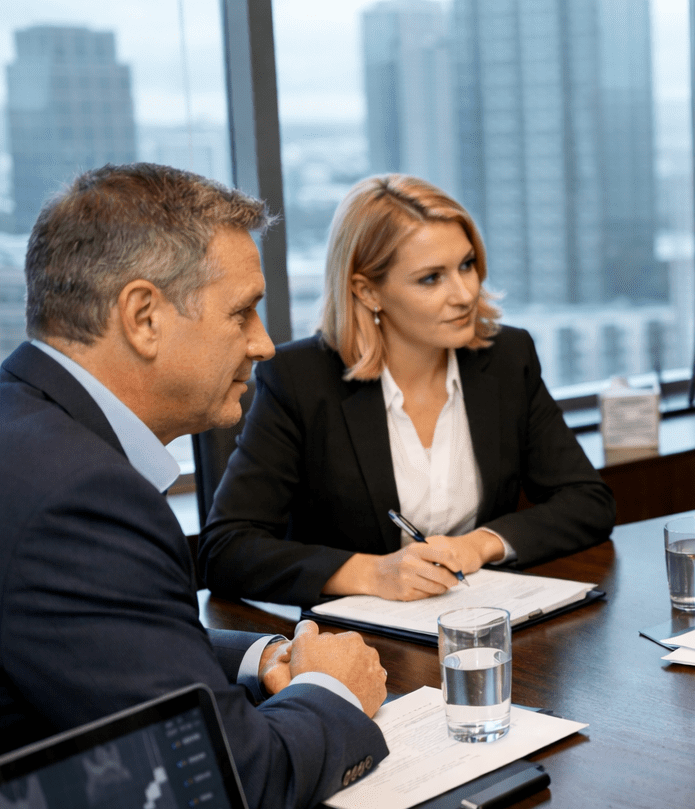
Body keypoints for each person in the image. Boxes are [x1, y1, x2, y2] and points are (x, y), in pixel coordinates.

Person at [0, 163, 388, 809]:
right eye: (241, 312)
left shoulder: (25, 429)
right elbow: (234, 790)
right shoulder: (83, 498)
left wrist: (262, 656)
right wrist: (332, 691)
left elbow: (102, 634)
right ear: (143, 318)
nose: (263, 343)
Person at [198, 174, 615, 608]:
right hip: (354, 636)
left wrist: (478, 545)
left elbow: (588, 502)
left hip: (481, 619)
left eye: (467, 265)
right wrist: (372, 573)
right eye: (431, 278)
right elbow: (225, 549)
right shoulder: (301, 379)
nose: (464, 294)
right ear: (367, 291)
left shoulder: (508, 357)